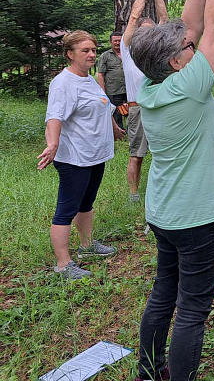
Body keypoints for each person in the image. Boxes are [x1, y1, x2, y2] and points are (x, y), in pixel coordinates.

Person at [130, 0, 214, 381]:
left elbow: (189, 34)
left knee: (162, 295)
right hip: (198, 217)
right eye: (185, 51)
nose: (192, 48)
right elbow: (213, 30)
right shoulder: (190, 85)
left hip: (164, 212)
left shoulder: (149, 85)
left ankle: (148, 373)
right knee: (191, 311)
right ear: (176, 63)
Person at [38, 31, 126, 280]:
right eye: (85, 51)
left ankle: (87, 247)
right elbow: (54, 117)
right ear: (70, 54)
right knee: (66, 209)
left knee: (86, 203)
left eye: (93, 50)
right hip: (74, 157)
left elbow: (103, 105)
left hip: (94, 154)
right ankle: (63, 265)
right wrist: (52, 144)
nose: (91, 55)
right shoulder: (63, 83)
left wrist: (114, 128)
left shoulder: (87, 79)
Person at [121, 0, 169, 202]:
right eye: (144, 32)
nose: (149, 37)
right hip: (138, 107)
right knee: (137, 154)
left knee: (166, 153)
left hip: (161, 105)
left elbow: (165, 20)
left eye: (153, 33)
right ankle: (134, 196)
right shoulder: (128, 49)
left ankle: (163, 193)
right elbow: (132, 17)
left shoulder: (158, 50)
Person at [97, 32, 127, 130]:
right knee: (116, 113)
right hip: (113, 90)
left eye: (119, 40)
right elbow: (101, 74)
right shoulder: (105, 56)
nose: (117, 43)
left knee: (131, 111)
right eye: (115, 41)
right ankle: (119, 132)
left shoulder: (128, 54)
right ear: (111, 42)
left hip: (128, 89)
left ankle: (132, 131)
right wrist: (102, 92)